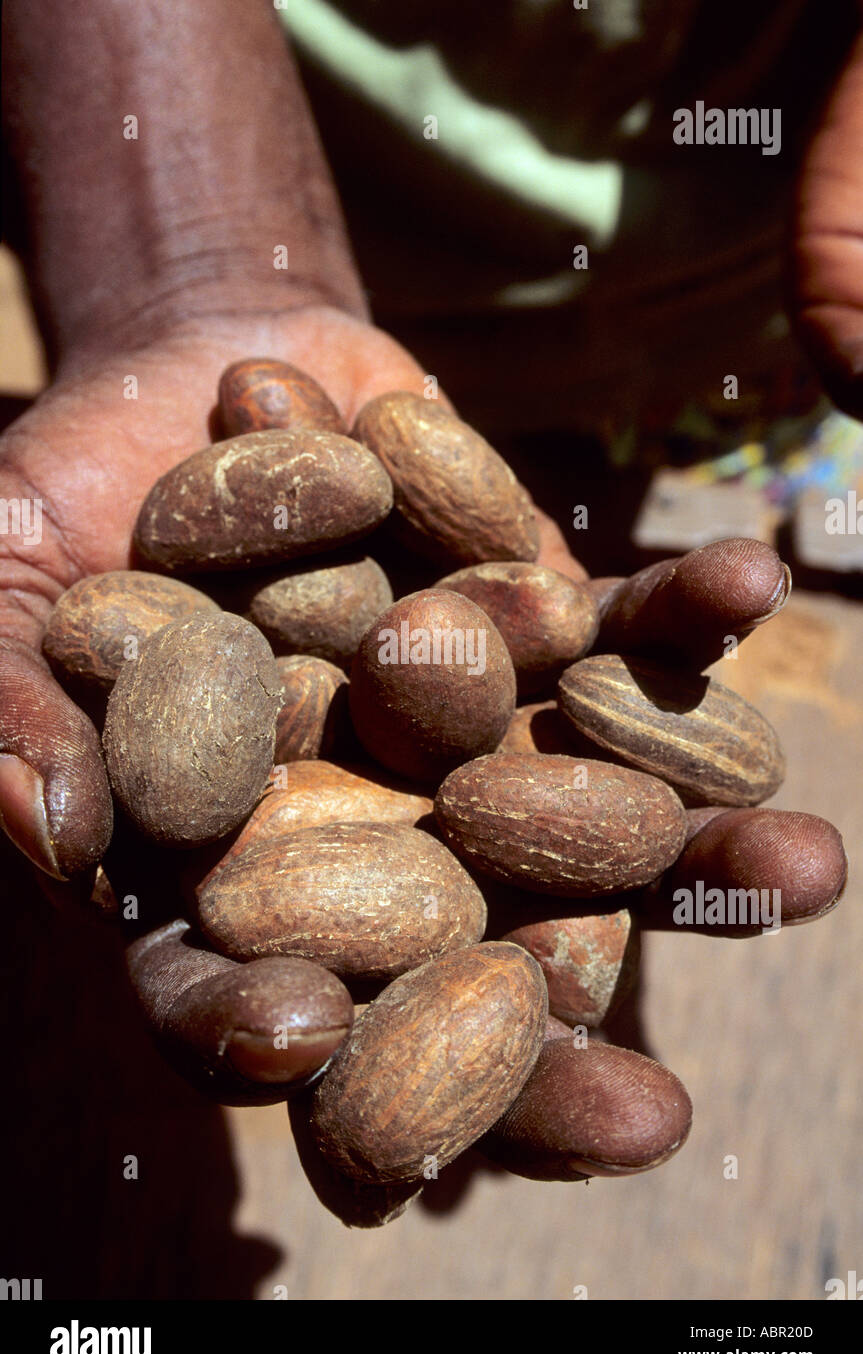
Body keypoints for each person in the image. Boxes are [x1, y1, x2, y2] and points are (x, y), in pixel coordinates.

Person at [0, 2, 849, 1183]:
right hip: (319, 174)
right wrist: (193, 271)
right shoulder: (278, 656)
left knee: (598, 533)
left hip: (717, 288)